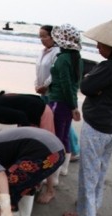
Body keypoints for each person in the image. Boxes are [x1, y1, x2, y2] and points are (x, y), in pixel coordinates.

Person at [62, 19, 112, 216]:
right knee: (100, 169)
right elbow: (91, 87)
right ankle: (92, 205)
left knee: (89, 170)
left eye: (101, 44)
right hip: (111, 125)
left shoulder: (110, 67)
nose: (97, 47)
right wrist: (95, 86)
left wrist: (92, 83)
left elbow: (85, 86)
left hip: (98, 126)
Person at [47, 23, 83, 178]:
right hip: (68, 102)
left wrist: (73, 106)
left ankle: (53, 176)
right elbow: (75, 84)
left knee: (54, 137)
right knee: (65, 136)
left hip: (58, 101)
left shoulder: (62, 59)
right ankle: (63, 169)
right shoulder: (77, 58)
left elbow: (65, 84)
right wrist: (73, 104)